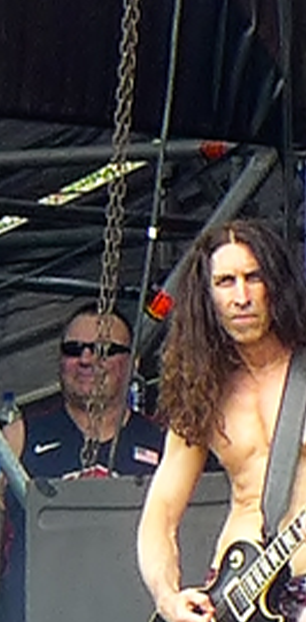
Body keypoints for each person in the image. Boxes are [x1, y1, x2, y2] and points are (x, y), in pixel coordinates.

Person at [138, 219, 306, 622]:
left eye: (253, 278)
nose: (242, 296)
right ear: (206, 296)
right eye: (226, 282)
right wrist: (167, 597)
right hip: (234, 598)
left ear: (276, 285)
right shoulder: (204, 389)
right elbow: (161, 510)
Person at [0, 303, 164, 622]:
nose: (86, 359)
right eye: (73, 349)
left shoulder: (164, 443)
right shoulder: (18, 437)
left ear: (133, 362)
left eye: (104, 350)